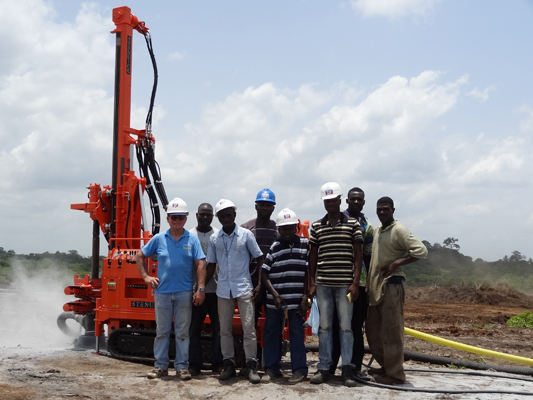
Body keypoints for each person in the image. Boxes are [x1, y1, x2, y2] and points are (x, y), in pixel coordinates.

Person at [136, 198, 206, 380]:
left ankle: (182, 367)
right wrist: (146, 277)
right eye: (173, 217)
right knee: (162, 331)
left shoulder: (192, 239)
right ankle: (160, 366)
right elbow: (139, 256)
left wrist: (200, 289)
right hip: (162, 292)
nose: (177, 220)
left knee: (183, 332)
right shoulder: (159, 239)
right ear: (167, 218)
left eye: (180, 217)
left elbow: (200, 264)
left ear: (186, 218)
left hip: (184, 293)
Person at [366, 197, 428, 385]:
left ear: (393, 210)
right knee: (373, 330)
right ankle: (386, 366)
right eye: (379, 209)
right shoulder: (378, 230)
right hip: (377, 286)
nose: (382, 212)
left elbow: (421, 251)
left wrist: (398, 262)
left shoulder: (398, 230)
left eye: (385, 209)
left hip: (392, 285)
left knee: (391, 331)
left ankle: (395, 375)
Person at [308, 182, 364, 387]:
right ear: (323, 202)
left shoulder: (352, 224)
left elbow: (358, 256)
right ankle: (324, 367)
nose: (330, 204)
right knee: (324, 327)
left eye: (334, 200)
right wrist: (312, 283)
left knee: (346, 327)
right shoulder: (316, 226)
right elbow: (313, 256)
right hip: (323, 284)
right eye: (327, 201)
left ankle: (347, 368)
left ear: (340, 201)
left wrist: (355, 282)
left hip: (344, 285)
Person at [206, 199, 264, 384]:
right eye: (222, 216)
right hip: (223, 290)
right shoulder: (215, 239)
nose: (226, 218)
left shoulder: (246, 235)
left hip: (244, 287)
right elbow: (211, 264)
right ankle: (228, 364)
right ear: (218, 218)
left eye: (228, 215)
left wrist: (260, 284)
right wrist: (199, 287)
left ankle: (251, 366)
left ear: (234, 216)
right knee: (224, 331)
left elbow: (259, 258)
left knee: (249, 329)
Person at [261, 208, 309, 384]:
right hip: (276, 301)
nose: (287, 231)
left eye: (290, 228)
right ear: (279, 230)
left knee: (296, 333)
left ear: (296, 227)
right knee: (272, 333)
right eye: (284, 228)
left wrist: (305, 297)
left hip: (297, 301)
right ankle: (272, 369)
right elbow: (264, 273)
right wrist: (274, 294)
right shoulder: (275, 247)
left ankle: (299, 370)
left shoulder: (305, 244)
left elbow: (309, 272)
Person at [330, 187, 373, 379]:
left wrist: (367, 283)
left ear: (364, 202)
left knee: (355, 326)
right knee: (334, 324)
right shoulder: (335, 220)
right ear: (346, 201)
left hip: (359, 284)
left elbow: (368, 258)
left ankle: (353, 367)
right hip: (336, 280)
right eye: (353, 199)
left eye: (360, 200)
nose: (356, 202)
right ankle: (330, 365)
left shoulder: (367, 227)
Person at [188, 203, 223, 375]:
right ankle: (194, 364)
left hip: (216, 291)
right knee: (193, 329)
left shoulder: (217, 235)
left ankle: (217, 364)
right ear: (196, 215)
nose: (205, 217)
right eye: (202, 214)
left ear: (213, 216)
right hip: (195, 291)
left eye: (208, 215)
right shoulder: (189, 235)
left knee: (219, 330)